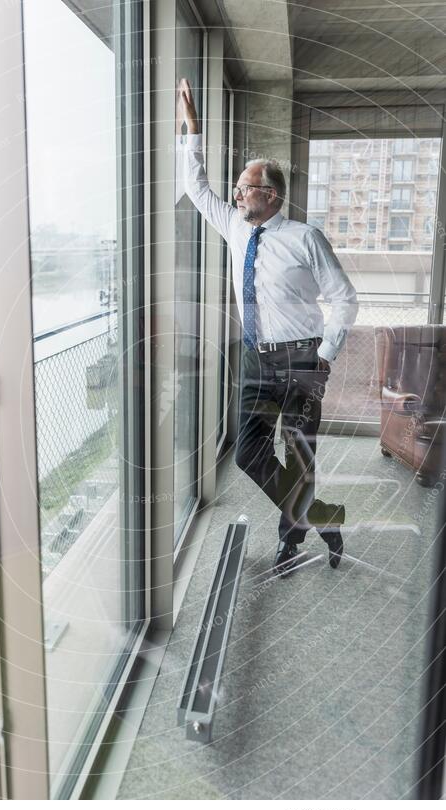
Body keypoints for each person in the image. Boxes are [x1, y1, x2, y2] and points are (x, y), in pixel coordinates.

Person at [176, 78, 359, 578]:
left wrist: (326, 351)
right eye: (235, 187)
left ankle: (290, 541)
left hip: (302, 359)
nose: (235, 193)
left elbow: (344, 298)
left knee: (299, 458)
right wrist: (192, 129)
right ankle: (323, 517)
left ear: (271, 195)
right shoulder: (236, 226)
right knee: (248, 453)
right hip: (257, 359)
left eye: (245, 186)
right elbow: (196, 188)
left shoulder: (305, 238)